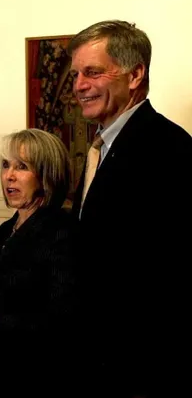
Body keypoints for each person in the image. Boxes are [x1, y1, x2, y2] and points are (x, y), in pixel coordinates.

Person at [68, 20, 192, 397]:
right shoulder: (101, 148)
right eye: (75, 74)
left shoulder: (168, 148)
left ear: (135, 74)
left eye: (93, 72)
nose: (79, 86)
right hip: (97, 359)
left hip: (140, 366)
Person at [0, 128, 80, 397]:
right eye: (6, 165)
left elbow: (63, 319)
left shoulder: (62, 229)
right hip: (5, 370)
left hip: (46, 378)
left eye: (22, 166)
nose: (9, 176)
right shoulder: (7, 229)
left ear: (46, 174)